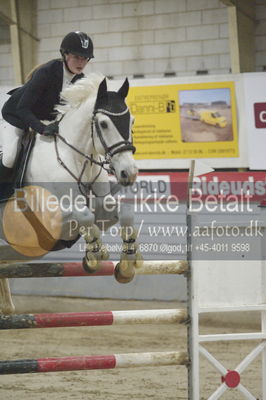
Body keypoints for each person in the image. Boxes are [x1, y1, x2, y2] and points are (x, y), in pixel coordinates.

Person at [0, 31, 94, 180]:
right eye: (77, 57)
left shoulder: (81, 80)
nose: (81, 63)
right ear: (65, 54)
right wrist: (42, 129)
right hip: (16, 116)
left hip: (43, 118)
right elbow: (22, 108)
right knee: (10, 157)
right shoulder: (46, 72)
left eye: (85, 58)